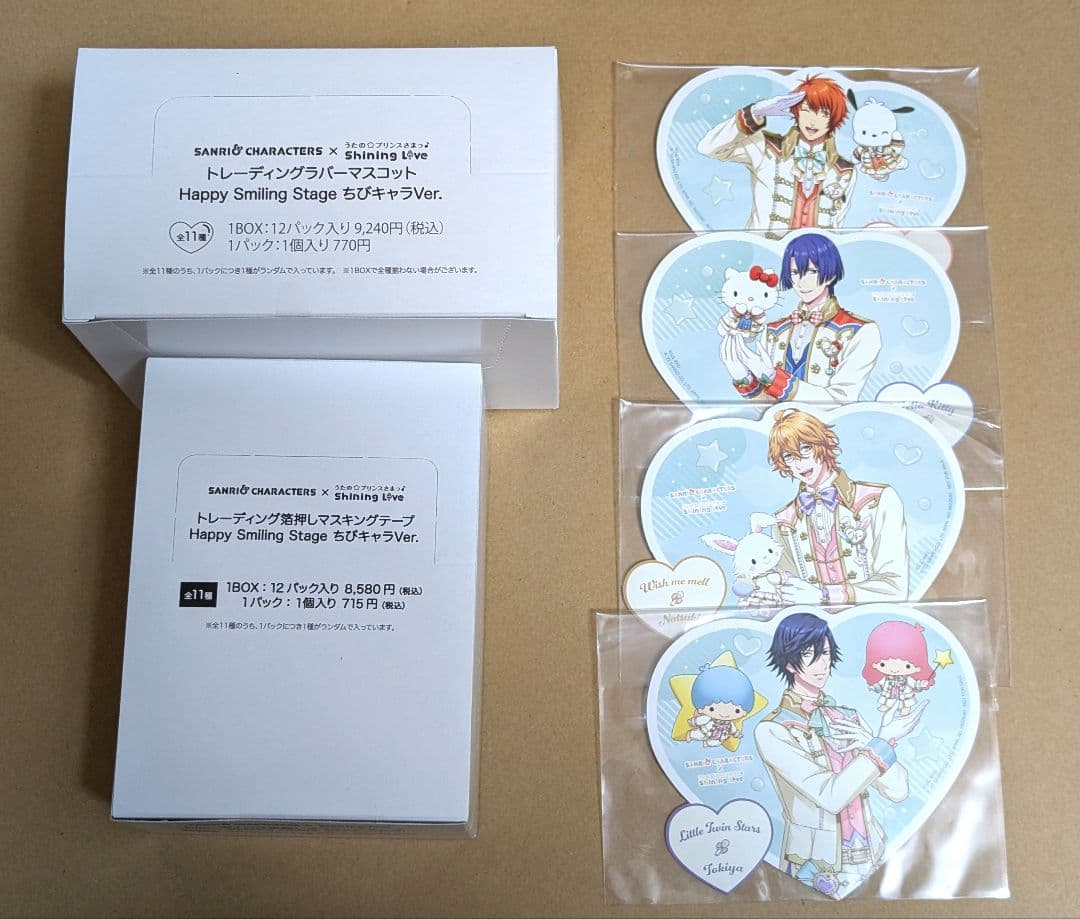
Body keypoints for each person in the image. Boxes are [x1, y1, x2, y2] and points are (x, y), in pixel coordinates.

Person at [755, 613, 921, 898]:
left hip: (871, 852)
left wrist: (876, 743)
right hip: (815, 863)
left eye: (826, 653)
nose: (822, 664)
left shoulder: (847, 717)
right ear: (789, 662)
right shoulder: (773, 730)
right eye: (809, 655)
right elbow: (829, 796)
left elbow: (898, 791)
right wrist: (880, 743)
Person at [767, 409, 908, 605]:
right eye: (789, 456)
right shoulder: (783, 522)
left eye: (806, 448)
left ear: (823, 445)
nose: (799, 464)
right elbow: (787, 592)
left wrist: (825, 596)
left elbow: (896, 587)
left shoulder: (878, 500)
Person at [720, 233, 880, 404]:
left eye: (812, 272)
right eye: (795, 272)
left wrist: (773, 378)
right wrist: (743, 378)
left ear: (831, 275)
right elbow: (768, 407)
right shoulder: (774, 330)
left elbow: (841, 400)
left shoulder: (860, 331)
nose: (802, 282)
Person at [697, 75, 856, 234]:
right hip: (762, 247)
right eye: (806, 110)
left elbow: (837, 225)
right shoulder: (766, 147)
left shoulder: (844, 171)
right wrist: (754, 113)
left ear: (834, 118)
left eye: (823, 114)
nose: (812, 121)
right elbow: (708, 147)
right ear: (796, 112)